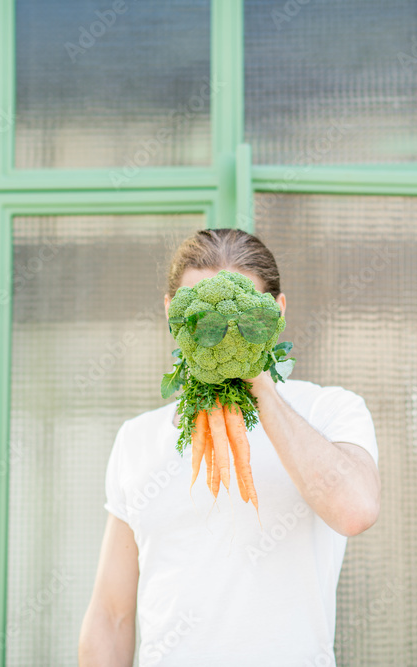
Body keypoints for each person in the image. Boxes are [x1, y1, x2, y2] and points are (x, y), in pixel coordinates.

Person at [79, 228, 381, 666]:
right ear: (171, 313)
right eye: (199, 314)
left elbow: (355, 510)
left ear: (276, 312)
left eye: (241, 312)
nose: (219, 331)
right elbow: (111, 615)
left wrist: (254, 373)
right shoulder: (137, 439)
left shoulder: (329, 410)